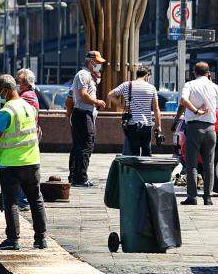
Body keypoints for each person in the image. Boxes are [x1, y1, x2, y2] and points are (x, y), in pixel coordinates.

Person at [0, 74, 48, 251]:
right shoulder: (28, 107)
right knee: (36, 200)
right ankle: (41, 239)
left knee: (11, 202)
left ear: (6, 90)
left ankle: (13, 240)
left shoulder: (5, 112)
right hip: (32, 161)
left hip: (12, 165)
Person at [175, 61, 218, 206]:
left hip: (194, 128)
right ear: (209, 73)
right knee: (209, 164)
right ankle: (208, 198)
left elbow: (183, 100)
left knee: (191, 164)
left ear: (193, 73)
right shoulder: (215, 87)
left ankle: (192, 197)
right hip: (210, 129)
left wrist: (195, 111)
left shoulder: (190, 85)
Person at [69, 50, 108, 187]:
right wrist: (97, 102)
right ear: (91, 62)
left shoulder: (89, 76)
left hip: (86, 114)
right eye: (97, 63)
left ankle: (76, 176)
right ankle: (80, 178)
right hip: (82, 113)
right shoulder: (82, 75)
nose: (99, 66)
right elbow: (83, 95)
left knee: (82, 145)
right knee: (85, 145)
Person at [108, 66, 161, 157]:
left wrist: (123, 106)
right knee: (146, 153)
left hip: (132, 124)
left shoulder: (126, 85)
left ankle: (134, 170)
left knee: (133, 154)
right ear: (147, 75)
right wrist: (158, 125)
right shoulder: (151, 88)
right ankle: (144, 170)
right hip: (146, 125)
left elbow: (110, 95)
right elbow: (156, 109)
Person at [15, 69, 42, 210]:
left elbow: (14, 105)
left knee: (24, 170)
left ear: (26, 84)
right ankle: (22, 200)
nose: (16, 85)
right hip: (27, 137)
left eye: (18, 82)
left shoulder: (27, 96)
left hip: (27, 138)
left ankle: (23, 201)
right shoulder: (26, 94)